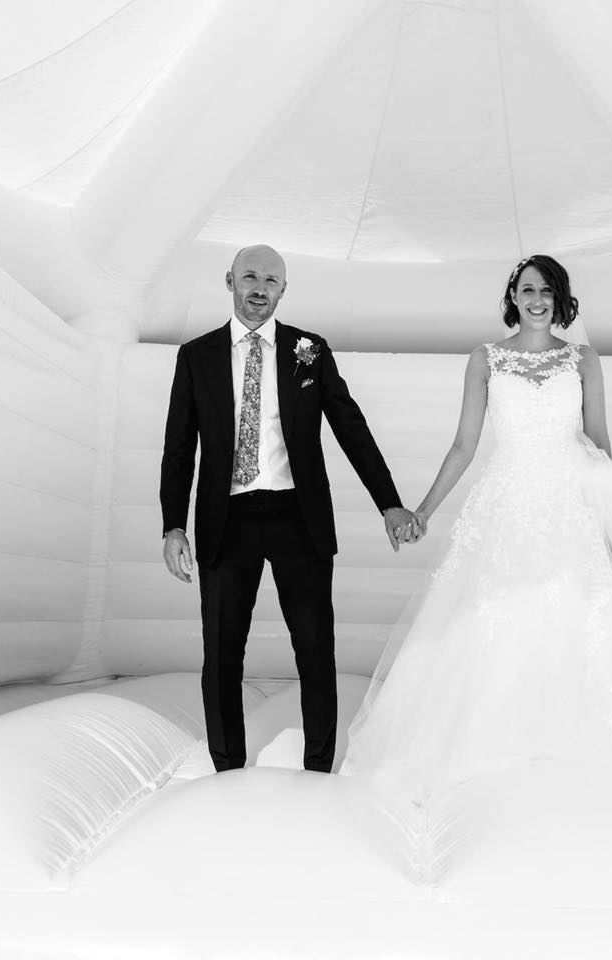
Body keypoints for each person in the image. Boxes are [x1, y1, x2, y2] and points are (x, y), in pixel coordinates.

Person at [341, 254, 612, 801]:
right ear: (512, 297)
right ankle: (491, 740)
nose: (536, 299)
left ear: (560, 298)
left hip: (572, 501)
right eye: (526, 289)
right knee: (495, 614)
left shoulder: (584, 360)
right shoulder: (485, 360)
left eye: (546, 290)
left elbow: (600, 443)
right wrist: (422, 511)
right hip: (507, 501)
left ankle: (582, 736)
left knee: (581, 612)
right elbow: (463, 445)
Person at [160, 244, 422, 774]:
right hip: (224, 522)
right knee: (222, 656)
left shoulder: (309, 350)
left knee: (315, 649)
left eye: (271, 280)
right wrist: (172, 525)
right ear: (229, 280)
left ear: (284, 289)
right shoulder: (197, 356)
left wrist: (389, 503)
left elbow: (352, 429)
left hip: (296, 519)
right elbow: (178, 447)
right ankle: (227, 767)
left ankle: (319, 768)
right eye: (250, 277)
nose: (260, 288)